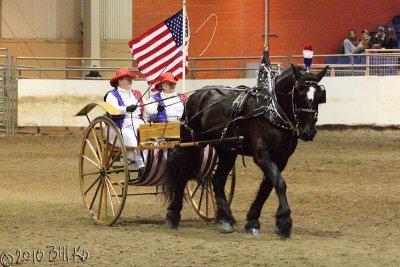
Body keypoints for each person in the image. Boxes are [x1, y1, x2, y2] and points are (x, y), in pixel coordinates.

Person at [105, 68, 146, 175]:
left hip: (138, 122)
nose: (130, 81)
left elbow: (146, 107)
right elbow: (112, 109)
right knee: (131, 135)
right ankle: (141, 164)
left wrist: (158, 107)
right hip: (120, 125)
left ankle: (150, 162)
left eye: (131, 79)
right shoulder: (112, 95)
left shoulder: (136, 93)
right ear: (119, 81)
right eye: (127, 79)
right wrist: (126, 109)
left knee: (151, 134)